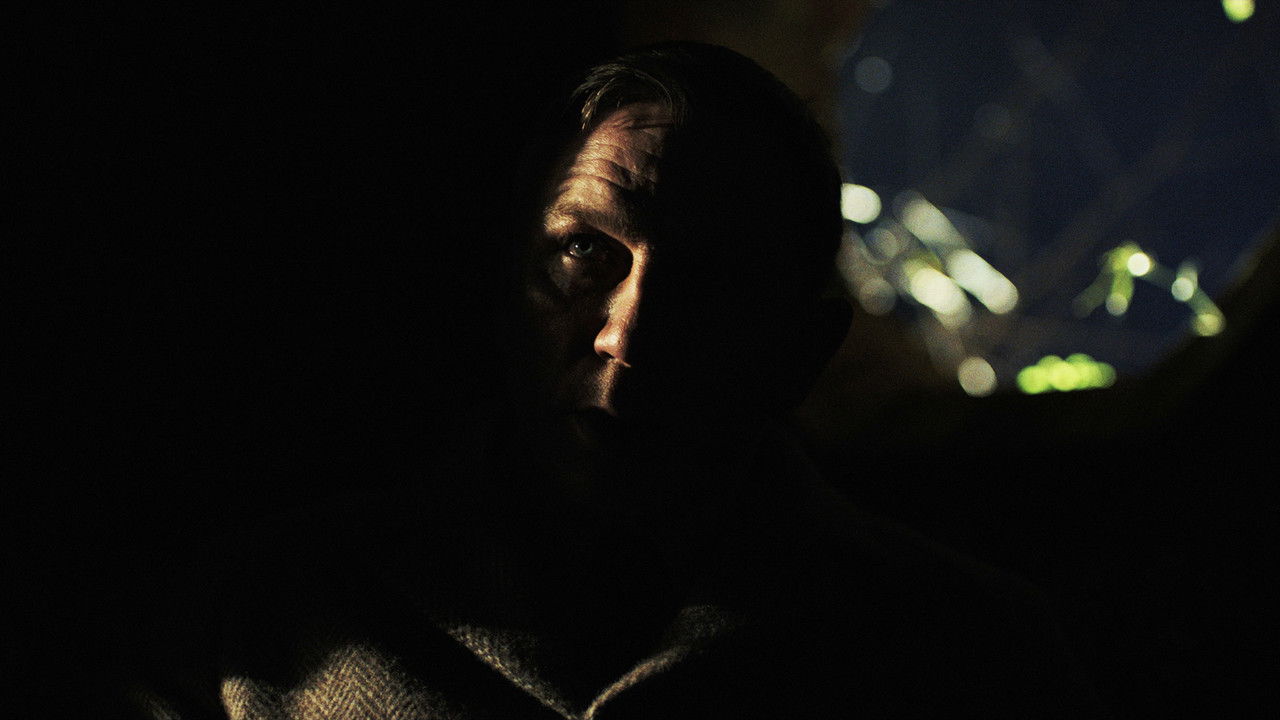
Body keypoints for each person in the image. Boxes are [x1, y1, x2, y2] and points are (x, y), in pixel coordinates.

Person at [124, 42, 1104, 719]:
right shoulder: (262, 619)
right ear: (503, 274)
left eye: (711, 283)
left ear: (802, 350)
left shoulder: (965, 662)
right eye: (586, 253)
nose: (627, 337)